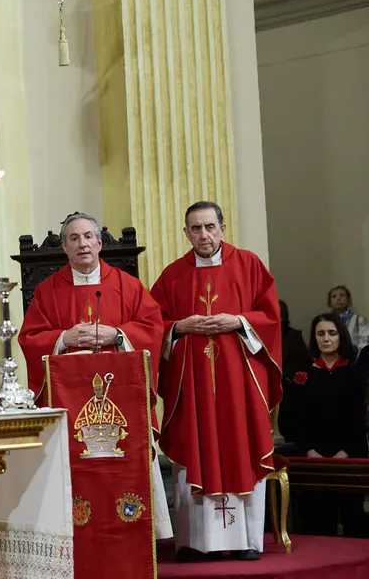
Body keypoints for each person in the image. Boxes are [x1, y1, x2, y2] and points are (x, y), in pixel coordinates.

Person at [18, 212, 172, 539]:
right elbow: (29, 338)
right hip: (70, 400)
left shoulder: (127, 286)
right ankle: (74, 530)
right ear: (64, 247)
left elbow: (152, 329)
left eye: (88, 237)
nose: (83, 244)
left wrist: (116, 334)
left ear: (100, 243)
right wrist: (64, 338)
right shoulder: (48, 290)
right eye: (74, 238)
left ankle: (134, 528)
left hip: (121, 399)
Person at [151, 201, 282, 562]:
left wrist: (238, 321)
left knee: (238, 442)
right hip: (191, 387)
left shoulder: (248, 264)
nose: (203, 235)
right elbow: (152, 325)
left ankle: (244, 541)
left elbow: (270, 317)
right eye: (195, 229)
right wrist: (178, 327)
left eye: (210, 227)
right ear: (186, 233)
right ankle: (194, 542)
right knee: (196, 442)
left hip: (237, 383)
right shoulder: (173, 275)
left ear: (223, 228)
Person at [279, 313, 369, 537]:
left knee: (354, 523)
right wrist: (308, 449)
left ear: (341, 336)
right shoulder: (303, 374)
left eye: (332, 333)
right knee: (316, 524)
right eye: (320, 333)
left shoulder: (355, 374)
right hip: (312, 457)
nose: (326, 339)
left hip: (350, 457)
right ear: (314, 338)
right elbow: (293, 418)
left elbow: (360, 418)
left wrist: (346, 450)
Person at [327, 286, 369, 352]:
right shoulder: (325, 321)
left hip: (355, 357)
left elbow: (365, 342)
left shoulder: (359, 320)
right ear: (330, 302)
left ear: (348, 299)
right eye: (334, 296)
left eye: (342, 295)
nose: (338, 298)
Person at [279, 301, 310, 379]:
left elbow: (305, 363)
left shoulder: (295, 336)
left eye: (280, 313)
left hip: (291, 384)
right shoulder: (259, 337)